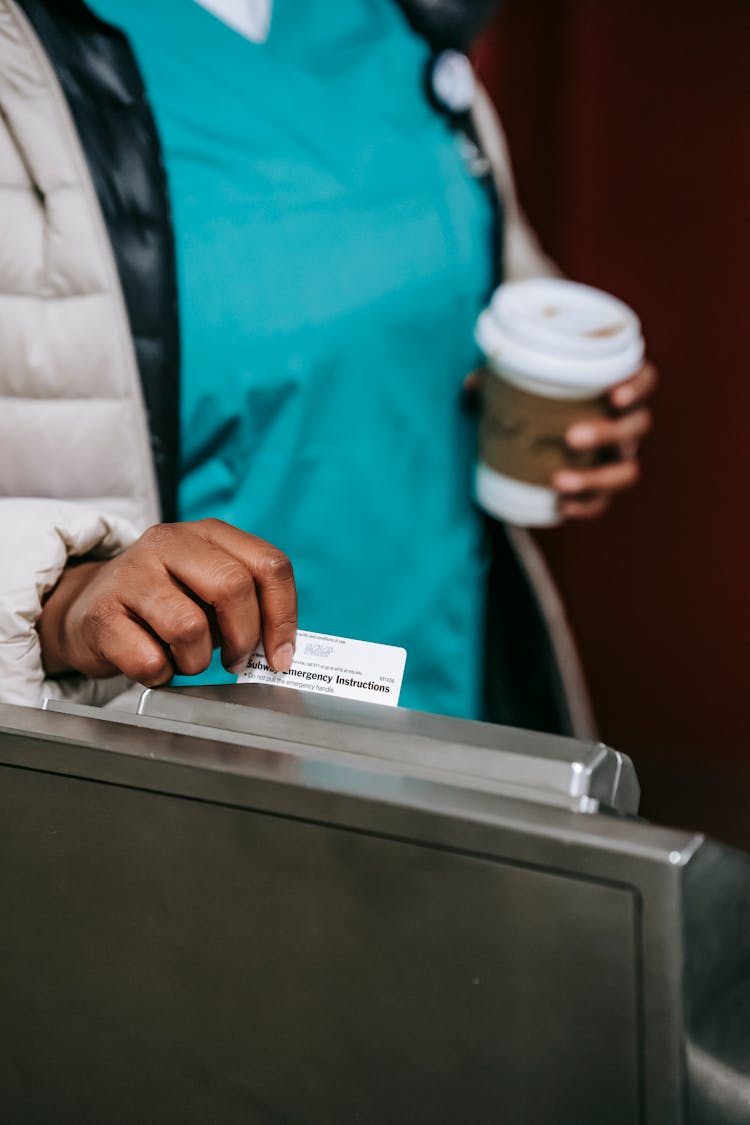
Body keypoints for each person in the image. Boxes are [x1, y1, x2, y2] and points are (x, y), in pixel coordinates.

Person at [0, 0, 655, 733]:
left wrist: (563, 394)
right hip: (173, 757)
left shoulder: (407, 19)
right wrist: (59, 598)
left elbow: (459, 289)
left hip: (452, 710)